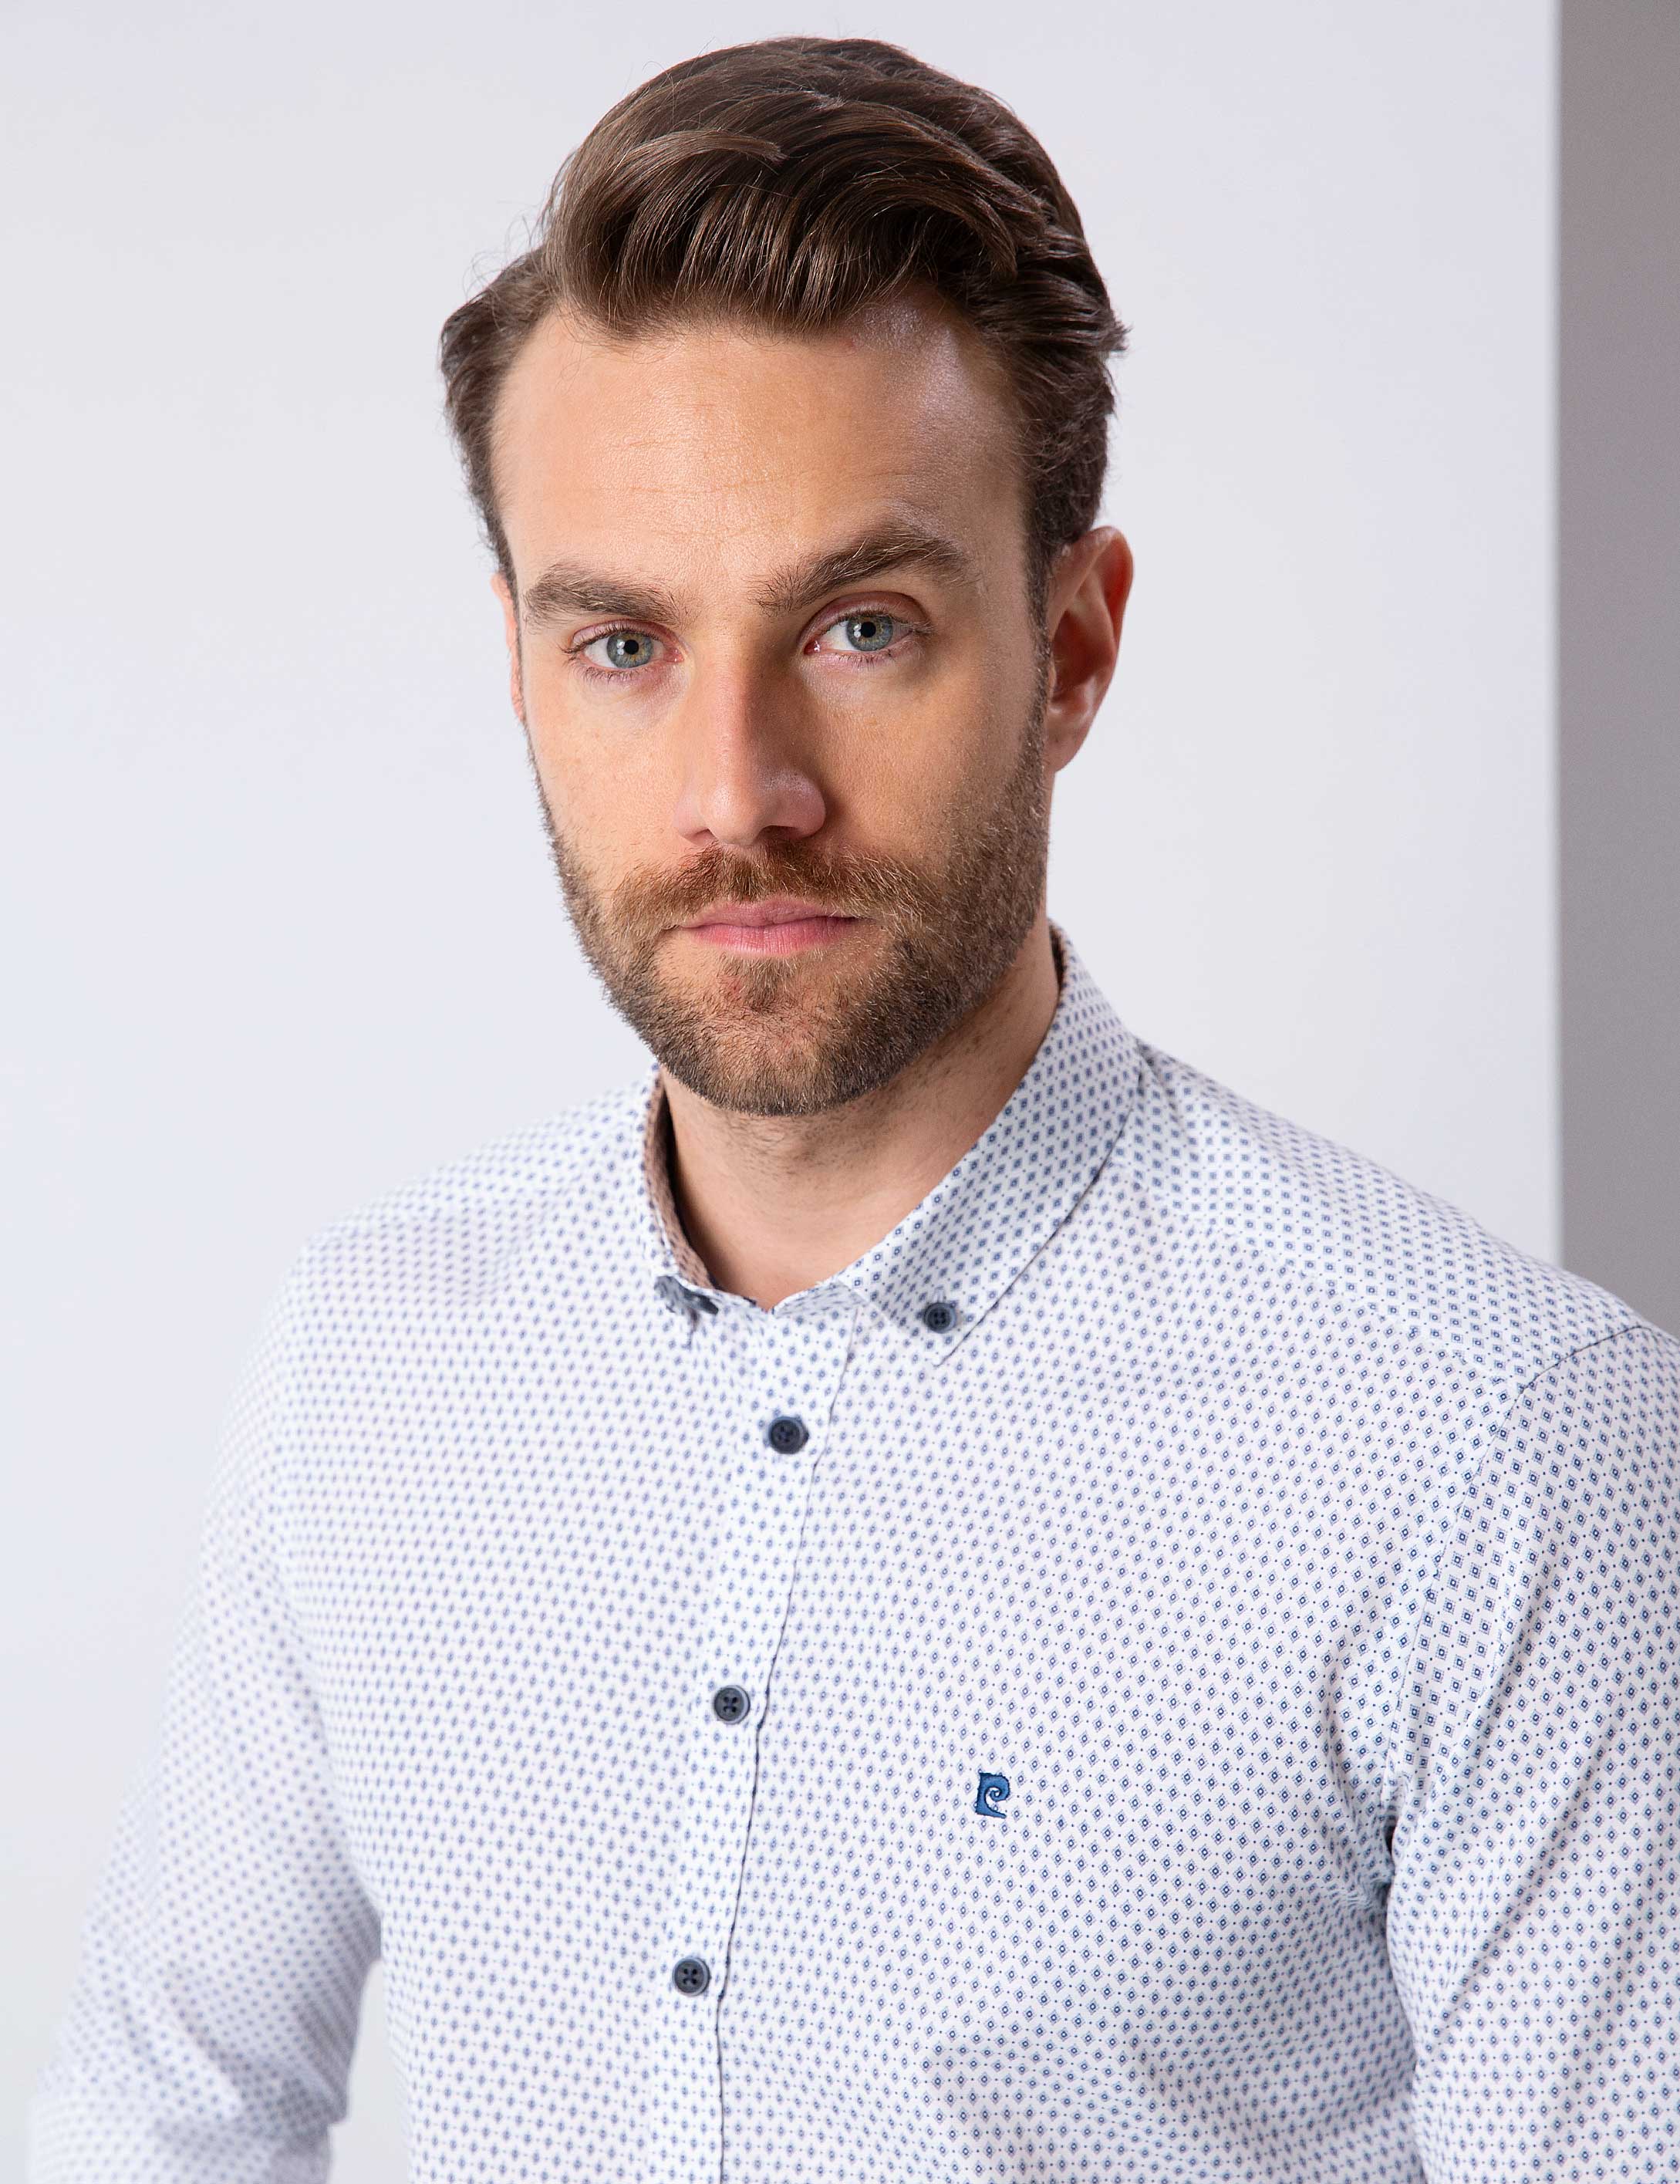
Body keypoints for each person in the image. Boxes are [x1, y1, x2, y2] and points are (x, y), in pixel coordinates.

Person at [28, 34, 1680, 2184]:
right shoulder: (371, 1366)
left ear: (1072, 647)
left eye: (861, 626)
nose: (739, 793)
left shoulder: (1494, 1440)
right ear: (519, 662)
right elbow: (169, 2109)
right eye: (622, 645)